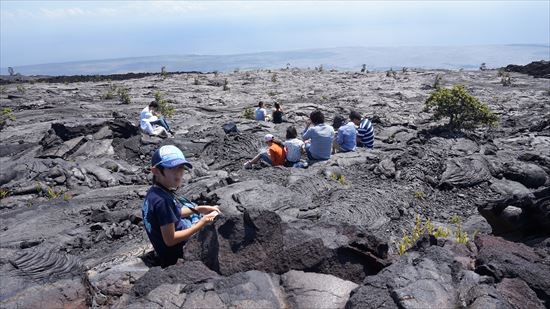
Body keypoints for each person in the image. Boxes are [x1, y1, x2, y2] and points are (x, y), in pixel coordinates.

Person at [142, 145, 220, 268]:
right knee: (209, 226)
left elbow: (173, 213)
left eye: (181, 168)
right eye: (172, 169)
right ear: (156, 171)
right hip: (175, 253)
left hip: (163, 247)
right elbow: (170, 240)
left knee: (191, 206)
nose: (179, 174)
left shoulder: (154, 192)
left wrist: (198, 209)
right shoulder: (163, 201)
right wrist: (202, 223)